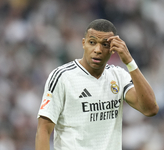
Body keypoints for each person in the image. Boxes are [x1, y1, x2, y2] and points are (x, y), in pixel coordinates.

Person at [35, 19, 159, 150]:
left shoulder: (118, 76)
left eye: (105, 44)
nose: (98, 50)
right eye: (92, 42)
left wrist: (129, 61)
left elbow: (150, 109)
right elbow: (43, 130)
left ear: (113, 49)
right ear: (84, 43)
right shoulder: (62, 77)